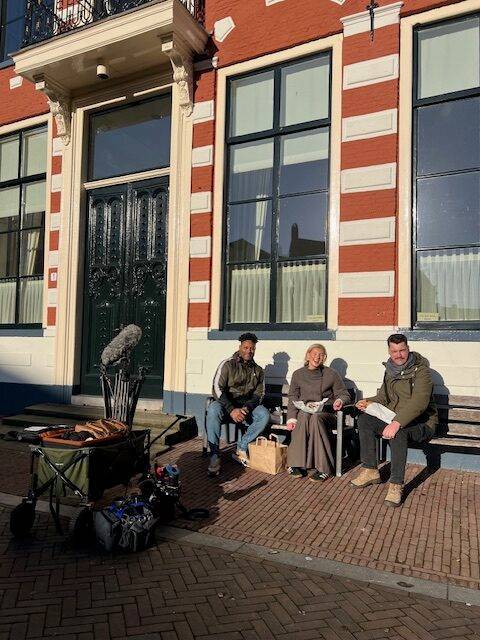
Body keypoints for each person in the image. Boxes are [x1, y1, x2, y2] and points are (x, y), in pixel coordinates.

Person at [351, 334, 438, 507]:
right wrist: (367, 401)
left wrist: (397, 423)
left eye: (402, 350)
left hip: (422, 423)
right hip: (394, 418)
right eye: (394, 351)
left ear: (408, 349)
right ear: (389, 351)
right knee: (364, 420)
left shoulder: (422, 371)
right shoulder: (389, 370)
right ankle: (370, 469)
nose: (399, 355)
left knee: (399, 432)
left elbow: (419, 402)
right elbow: (384, 397)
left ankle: (396, 485)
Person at [206, 333, 270, 477]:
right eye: (246, 347)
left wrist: (246, 408)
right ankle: (215, 454)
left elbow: (259, 394)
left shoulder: (258, 370)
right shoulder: (227, 364)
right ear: (240, 347)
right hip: (226, 405)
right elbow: (217, 388)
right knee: (213, 409)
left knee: (264, 414)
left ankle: (241, 447)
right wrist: (231, 409)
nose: (249, 351)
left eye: (252, 348)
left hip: (246, 407)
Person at [286, 344, 351, 481]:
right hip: (305, 411)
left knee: (315, 418)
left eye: (321, 355)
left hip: (326, 414)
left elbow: (344, 394)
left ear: (325, 358)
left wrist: (339, 401)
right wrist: (291, 418)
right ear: (308, 355)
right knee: (303, 416)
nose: (317, 357)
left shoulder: (331, 374)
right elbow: (292, 397)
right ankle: (295, 464)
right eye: (314, 354)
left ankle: (324, 468)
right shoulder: (298, 374)